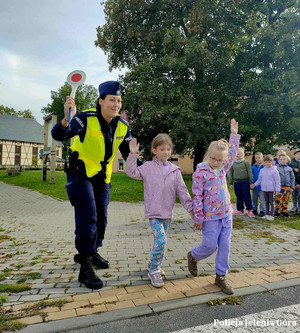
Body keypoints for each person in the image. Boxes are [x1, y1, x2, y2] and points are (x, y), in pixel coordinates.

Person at [51, 81, 137, 290]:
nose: (116, 104)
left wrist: (153, 169)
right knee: (88, 218)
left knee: (102, 219)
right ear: (101, 101)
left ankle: (93, 251)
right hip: (81, 174)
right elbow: (58, 135)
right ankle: (85, 264)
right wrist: (66, 118)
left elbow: (129, 155)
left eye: (119, 101)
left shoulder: (123, 127)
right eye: (112, 100)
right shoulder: (84, 118)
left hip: (102, 178)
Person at [126, 134, 193, 288]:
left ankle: (152, 264)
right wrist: (132, 154)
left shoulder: (175, 170)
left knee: (160, 242)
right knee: (161, 240)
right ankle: (154, 269)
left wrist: (191, 209)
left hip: (167, 213)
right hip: (154, 212)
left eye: (168, 149)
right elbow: (131, 172)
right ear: (154, 150)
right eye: (162, 149)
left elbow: (183, 192)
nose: (166, 152)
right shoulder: (147, 167)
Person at [187, 119, 240, 295]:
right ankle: (193, 256)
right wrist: (198, 217)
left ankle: (221, 276)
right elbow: (197, 197)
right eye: (213, 158)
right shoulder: (200, 173)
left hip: (226, 214)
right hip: (210, 217)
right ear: (208, 154)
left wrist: (234, 135)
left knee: (225, 246)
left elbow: (231, 153)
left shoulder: (224, 169)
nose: (216, 162)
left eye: (220, 160)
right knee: (210, 246)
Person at [250, 155, 280, 221]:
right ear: (264, 162)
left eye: (269, 162)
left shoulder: (275, 171)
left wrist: (277, 190)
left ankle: (271, 215)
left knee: (271, 202)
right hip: (264, 189)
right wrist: (254, 185)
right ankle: (266, 214)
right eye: (266, 162)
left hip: (271, 189)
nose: (268, 163)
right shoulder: (262, 170)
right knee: (266, 202)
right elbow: (259, 180)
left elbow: (277, 181)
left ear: (272, 162)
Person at [228, 147, 255, 217]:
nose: (237, 155)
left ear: (242, 155)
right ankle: (240, 210)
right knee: (239, 197)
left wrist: (251, 182)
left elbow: (249, 173)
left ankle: (249, 210)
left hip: (245, 182)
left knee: (246, 196)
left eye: (239, 154)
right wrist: (230, 183)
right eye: (236, 154)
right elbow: (230, 173)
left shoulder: (245, 163)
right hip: (236, 183)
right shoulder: (233, 163)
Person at [251, 152, 266, 217]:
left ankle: (263, 210)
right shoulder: (253, 167)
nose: (258, 159)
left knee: (262, 199)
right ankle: (254, 209)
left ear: (262, 158)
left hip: (262, 187)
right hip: (255, 186)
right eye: (256, 158)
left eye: (259, 157)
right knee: (254, 199)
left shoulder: (265, 167)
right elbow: (251, 175)